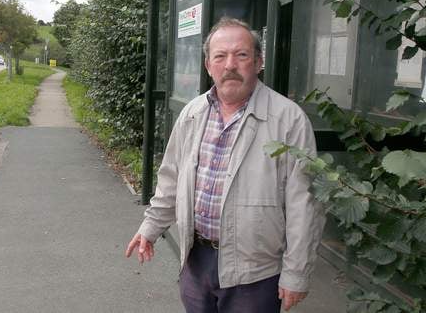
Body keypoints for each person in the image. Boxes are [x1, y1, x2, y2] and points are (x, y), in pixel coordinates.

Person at [126, 17, 325, 312]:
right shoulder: (193, 113)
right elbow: (171, 178)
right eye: (220, 56)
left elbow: (304, 206)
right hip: (195, 259)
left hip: (255, 273)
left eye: (241, 55)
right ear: (208, 65)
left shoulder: (289, 120)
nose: (230, 64)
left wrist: (296, 273)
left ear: (258, 62)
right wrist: (151, 226)